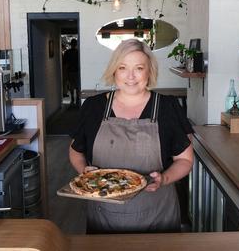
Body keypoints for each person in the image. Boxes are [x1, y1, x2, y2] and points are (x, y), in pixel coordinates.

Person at [69, 39, 194, 234]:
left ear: (149, 71)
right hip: (103, 216)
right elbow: (75, 152)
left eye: (139, 68)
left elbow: (185, 160)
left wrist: (165, 178)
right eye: (122, 68)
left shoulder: (167, 108)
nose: (130, 76)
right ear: (114, 71)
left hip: (158, 216)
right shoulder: (93, 107)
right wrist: (86, 171)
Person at [63, 38, 80, 107]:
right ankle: (78, 100)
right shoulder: (78, 52)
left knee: (71, 86)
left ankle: (73, 99)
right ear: (76, 44)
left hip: (70, 71)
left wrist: (65, 73)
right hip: (77, 71)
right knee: (77, 86)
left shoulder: (67, 52)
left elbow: (64, 63)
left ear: (71, 44)